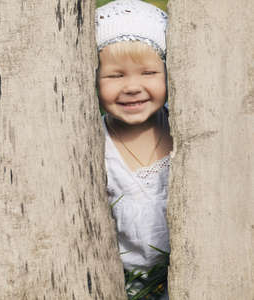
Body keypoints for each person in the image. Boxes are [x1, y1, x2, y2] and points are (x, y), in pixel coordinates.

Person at [95, 0, 171, 299]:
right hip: (122, 290)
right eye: (116, 76)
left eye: (148, 73)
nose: (132, 86)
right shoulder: (95, 147)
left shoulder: (185, 131)